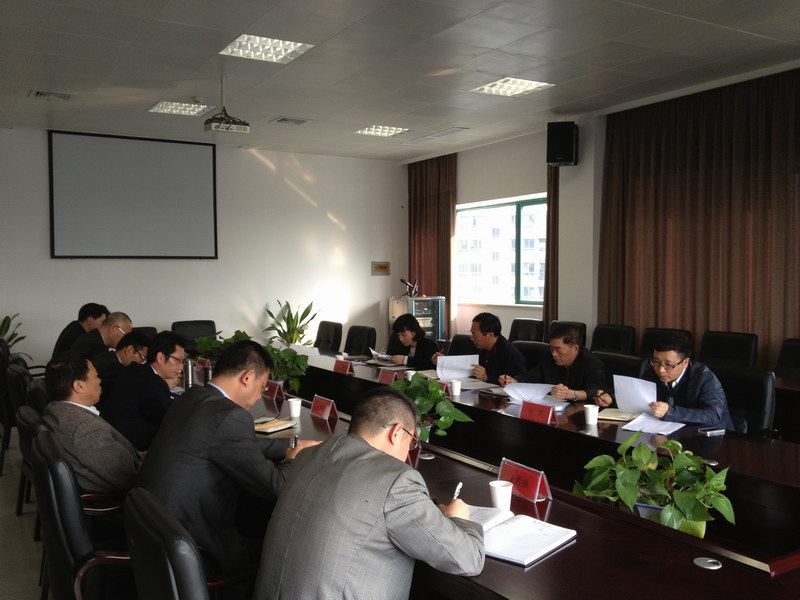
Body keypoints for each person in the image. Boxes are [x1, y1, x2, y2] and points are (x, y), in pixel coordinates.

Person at [254, 386, 484, 600]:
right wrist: (458, 518)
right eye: (412, 441)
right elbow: (467, 560)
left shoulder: (306, 456)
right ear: (396, 432)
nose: (408, 452)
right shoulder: (396, 480)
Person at [137, 340, 318, 575]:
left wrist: (289, 446)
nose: (259, 396)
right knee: (283, 545)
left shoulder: (193, 396)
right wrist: (293, 459)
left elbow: (235, 444)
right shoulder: (231, 416)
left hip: (155, 529)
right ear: (247, 377)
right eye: (263, 387)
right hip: (195, 545)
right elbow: (276, 486)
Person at [595, 332, 734, 429]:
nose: (661, 370)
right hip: (668, 433)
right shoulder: (652, 371)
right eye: (656, 362)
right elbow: (636, 394)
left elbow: (712, 415)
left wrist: (670, 412)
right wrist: (611, 398)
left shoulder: (704, 378)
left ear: (685, 362)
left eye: (669, 364)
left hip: (712, 438)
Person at [42, 357, 141, 492]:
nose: (99, 380)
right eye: (96, 376)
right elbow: (130, 478)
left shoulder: (55, 409)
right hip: (121, 495)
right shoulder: (86, 429)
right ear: (79, 386)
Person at [101, 331, 184, 450]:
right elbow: (174, 415)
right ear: (160, 357)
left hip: (114, 439)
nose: (181, 367)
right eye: (178, 360)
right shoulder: (150, 382)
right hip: (129, 451)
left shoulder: (135, 370)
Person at [499, 323, 606, 402]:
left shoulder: (593, 364)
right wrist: (515, 381)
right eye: (551, 348)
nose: (554, 354)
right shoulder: (548, 356)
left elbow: (595, 391)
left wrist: (572, 394)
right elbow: (533, 376)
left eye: (558, 349)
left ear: (575, 348)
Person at [91, 331, 149, 408]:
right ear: (129, 350)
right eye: (143, 357)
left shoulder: (106, 357)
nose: (142, 363)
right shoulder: (114, 369)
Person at [468, 312, 525, 385]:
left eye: (474, 334)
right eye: (471, 333)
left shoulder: (511, 354)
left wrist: (486, 377)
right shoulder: (477, 346)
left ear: (490, 335)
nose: (472, 338)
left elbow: (516, 383)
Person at [68, 311, 133, 361]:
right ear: (113, 329)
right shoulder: (95, 346)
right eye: (125, 335)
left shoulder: (93, 338)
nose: (126, 341)